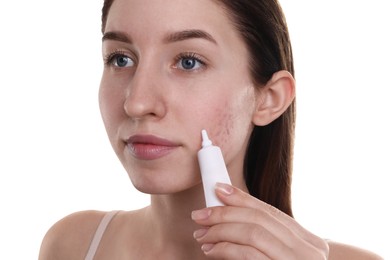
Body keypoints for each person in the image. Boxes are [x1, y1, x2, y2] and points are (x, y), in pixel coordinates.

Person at [39, 0, 382, 259]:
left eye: (189, 62)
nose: (137, 103)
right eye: (120, 59)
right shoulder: (72, 245)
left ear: (269, 99)